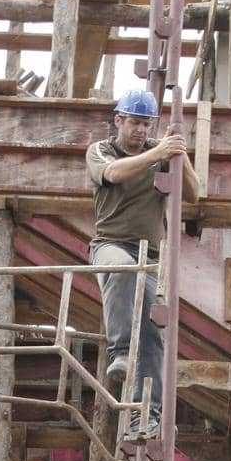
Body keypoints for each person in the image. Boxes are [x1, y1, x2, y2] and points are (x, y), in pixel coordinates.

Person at [86, 88, 199, 434]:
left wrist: (179, 153)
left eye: (146, 124)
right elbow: (116, 174)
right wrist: (159, 153)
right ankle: (120, 353)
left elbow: (193, 193)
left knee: (152, 334)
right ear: (118, 120)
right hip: (110, 244)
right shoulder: (101, 151)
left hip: (150, 257)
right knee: (120, 270)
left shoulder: (157, 150)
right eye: (134, 122)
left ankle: (145, 415)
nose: (140, 130)